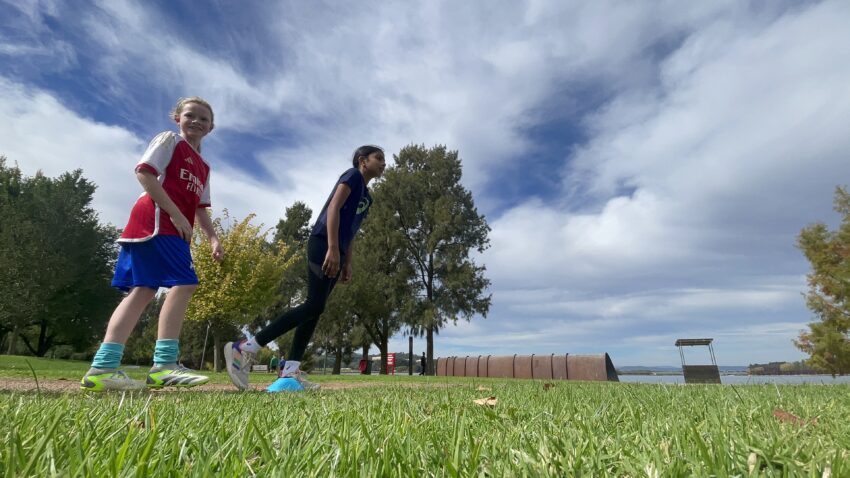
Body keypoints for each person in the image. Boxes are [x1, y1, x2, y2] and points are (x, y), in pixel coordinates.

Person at [80, 97, 223, 392]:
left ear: (211, 127)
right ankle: (164, 365)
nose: (196, 121)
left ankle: (103, 368)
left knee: (143, 290)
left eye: (203, 118)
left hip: (175, 227)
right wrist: (174, 213)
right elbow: (144, 172)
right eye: (189, 115)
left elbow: (199, 207)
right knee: (185, 283)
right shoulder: (170, 141)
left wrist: (212, 237)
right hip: (157, 221)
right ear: (177, 118)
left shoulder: (204, 167)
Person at [225, 145, 386, 392]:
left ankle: (289, 373)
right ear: (363, 161)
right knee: (314, 304)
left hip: (338, 251)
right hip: (323, 242)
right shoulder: (352, 176)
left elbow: (352, 230)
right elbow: (333, 208)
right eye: (379, 158)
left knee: (315, 310)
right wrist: (332, 247)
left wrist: (347, 261)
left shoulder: (368, 196)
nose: (384, 163)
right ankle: (246, 348)